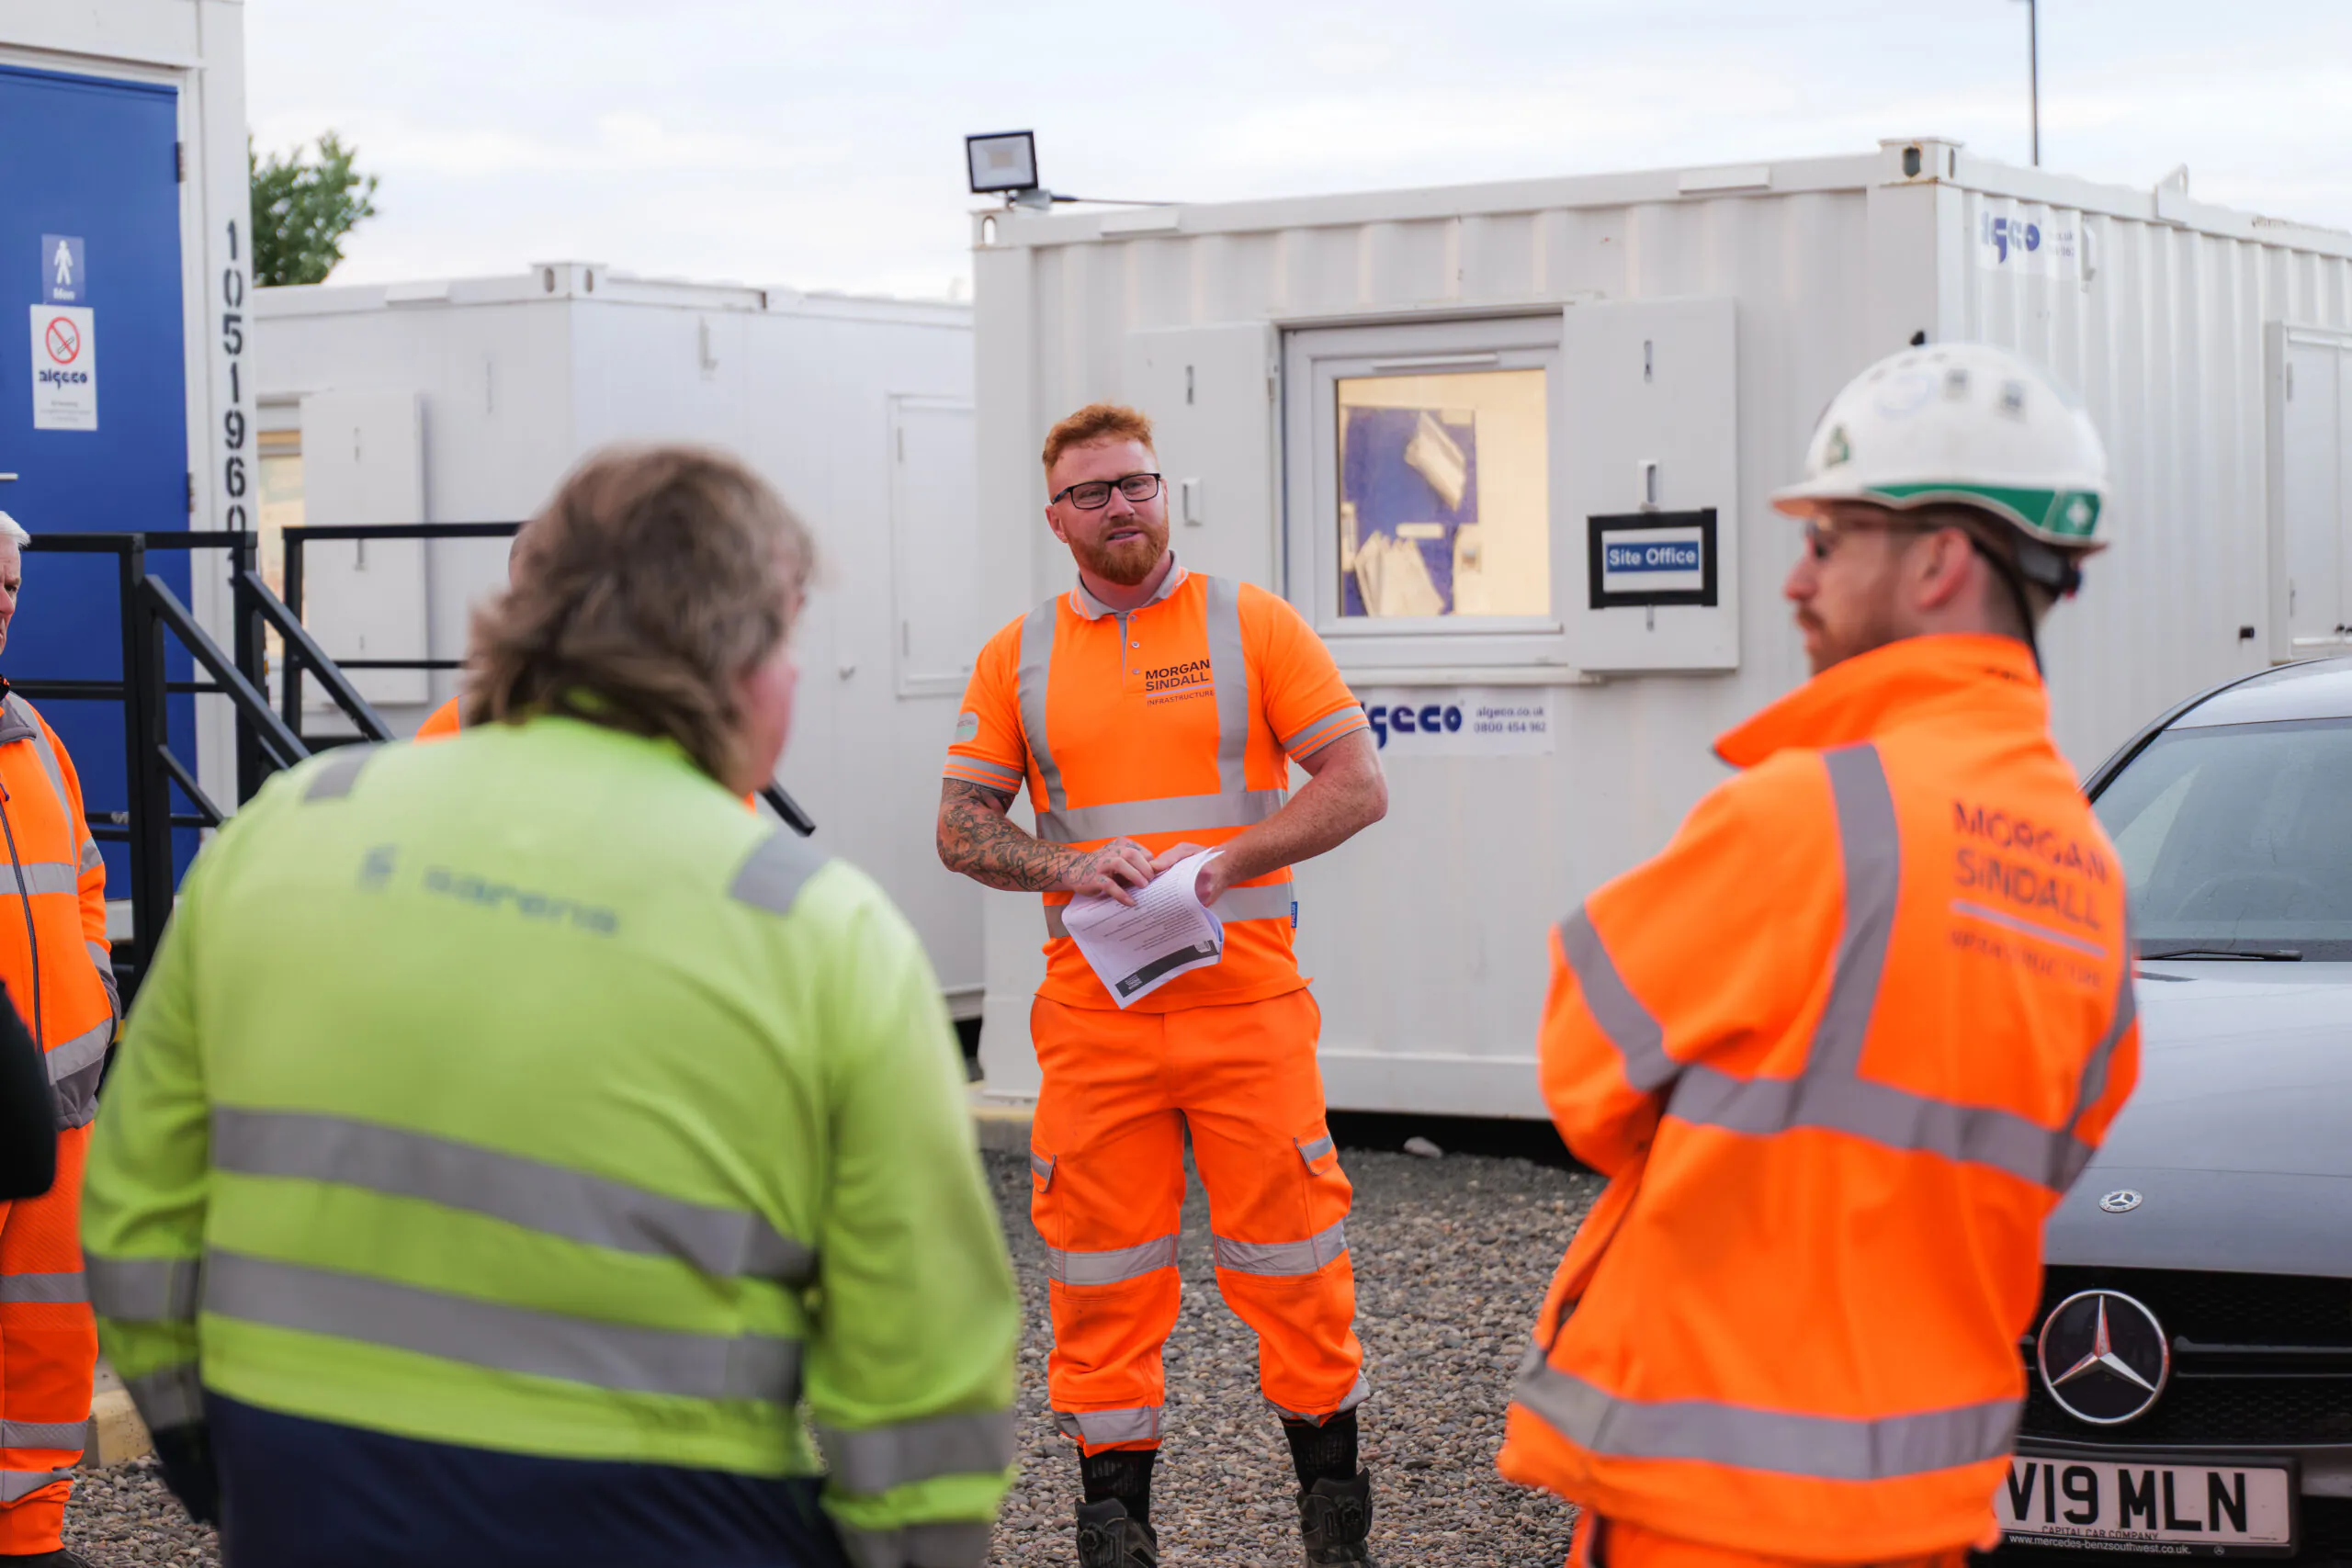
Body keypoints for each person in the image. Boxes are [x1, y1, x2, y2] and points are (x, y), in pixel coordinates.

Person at [81, 447, 1022, 1568]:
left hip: (306, 1490)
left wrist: (206, 1452)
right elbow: (922, 1346)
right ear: (745, 650)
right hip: (669, 1515)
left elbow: (138, 1203)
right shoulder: (818, 929)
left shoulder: (281, 833)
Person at [1496, 343, 2143, 1568]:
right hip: (1926, 1511)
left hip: (1714, 1514)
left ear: (1940, 561)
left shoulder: (1814, 813)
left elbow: (1584, 1080)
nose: (1795, 579)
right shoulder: (2089, 876)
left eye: (1830, 540)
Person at [939, 404, 1388, 1567]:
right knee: (1100, 1278)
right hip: (1095, 1024)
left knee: (1295, 1265)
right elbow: (960, 829)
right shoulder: (1018, 654)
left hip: (1249, 1011)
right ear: (1056, 520)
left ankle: (1334, 1522)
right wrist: (1067, 862)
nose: (1120, 506)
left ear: (1164, 491)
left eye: (1136, 483)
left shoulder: (1252, 624)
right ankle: (1114, 1533)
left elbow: (1354, 785)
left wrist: (1224, 865)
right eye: (1091, 493)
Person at [0, 510, 118, 1568]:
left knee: (45, 1340)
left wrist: (95, 999)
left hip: (58, 1108)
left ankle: (28, 1540)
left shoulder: (33, 733)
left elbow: (82, 878)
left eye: (7, 586)